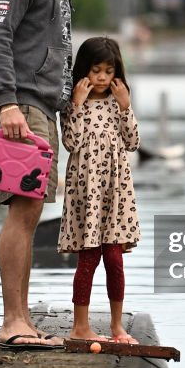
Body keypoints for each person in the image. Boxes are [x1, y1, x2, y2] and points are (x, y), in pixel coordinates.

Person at [0, 0, 93, 349]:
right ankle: (13, 323)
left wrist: (70, 106)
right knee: (22, 215)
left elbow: (54, 45)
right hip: (18, 108)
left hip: (39, 107)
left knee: (29, 213)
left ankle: (22, 320)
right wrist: (6, 102)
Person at [58, 37, 141, 344]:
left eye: (109, 71)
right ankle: (80, 327)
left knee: (115, 259)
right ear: (85, 71)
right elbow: (71, 143)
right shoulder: (73, 104)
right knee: (88, 257)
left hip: (116, 193)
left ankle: (118, 327)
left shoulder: (118, 103)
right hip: (86, 192)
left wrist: (125, 107)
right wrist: (77, 104)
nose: (103, 78)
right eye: (96, 70)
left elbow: (133, 142)